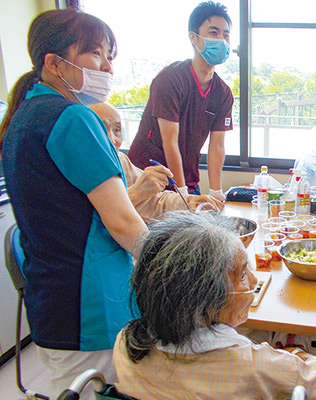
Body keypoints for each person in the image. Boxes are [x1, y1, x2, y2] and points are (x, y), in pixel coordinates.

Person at [0, 9, 147, 399]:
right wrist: (169, 266)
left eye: (110, 55)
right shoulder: (72, 119)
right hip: (88, 305)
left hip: (53, 298)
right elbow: (121, 222)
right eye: (97, 53)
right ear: (54, 64)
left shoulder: (25, 115)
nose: (108, 66)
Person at [113, 212, 316, 399]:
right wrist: (294, 354)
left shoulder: (125, 344)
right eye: (241, 274)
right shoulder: (252, 367)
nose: (252, 279)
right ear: (205, 302)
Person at [127, 1, 234, 200]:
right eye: (213, 32)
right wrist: (181, 194)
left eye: (226, 35)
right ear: (194, 37)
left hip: (188, 177)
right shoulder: (171, 80)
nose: (221, 40)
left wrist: (216, 192)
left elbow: (217, 146)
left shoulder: (223, 93)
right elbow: (171, 141)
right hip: (150, 177)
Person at [89, 102, 223, 220]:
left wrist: (189, 201)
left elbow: (155, 201)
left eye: (117, 130)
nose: (112, 140)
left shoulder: (120, 161)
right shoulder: (74, 171)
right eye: (100, 129)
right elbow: (93, 220)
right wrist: (137, 192)